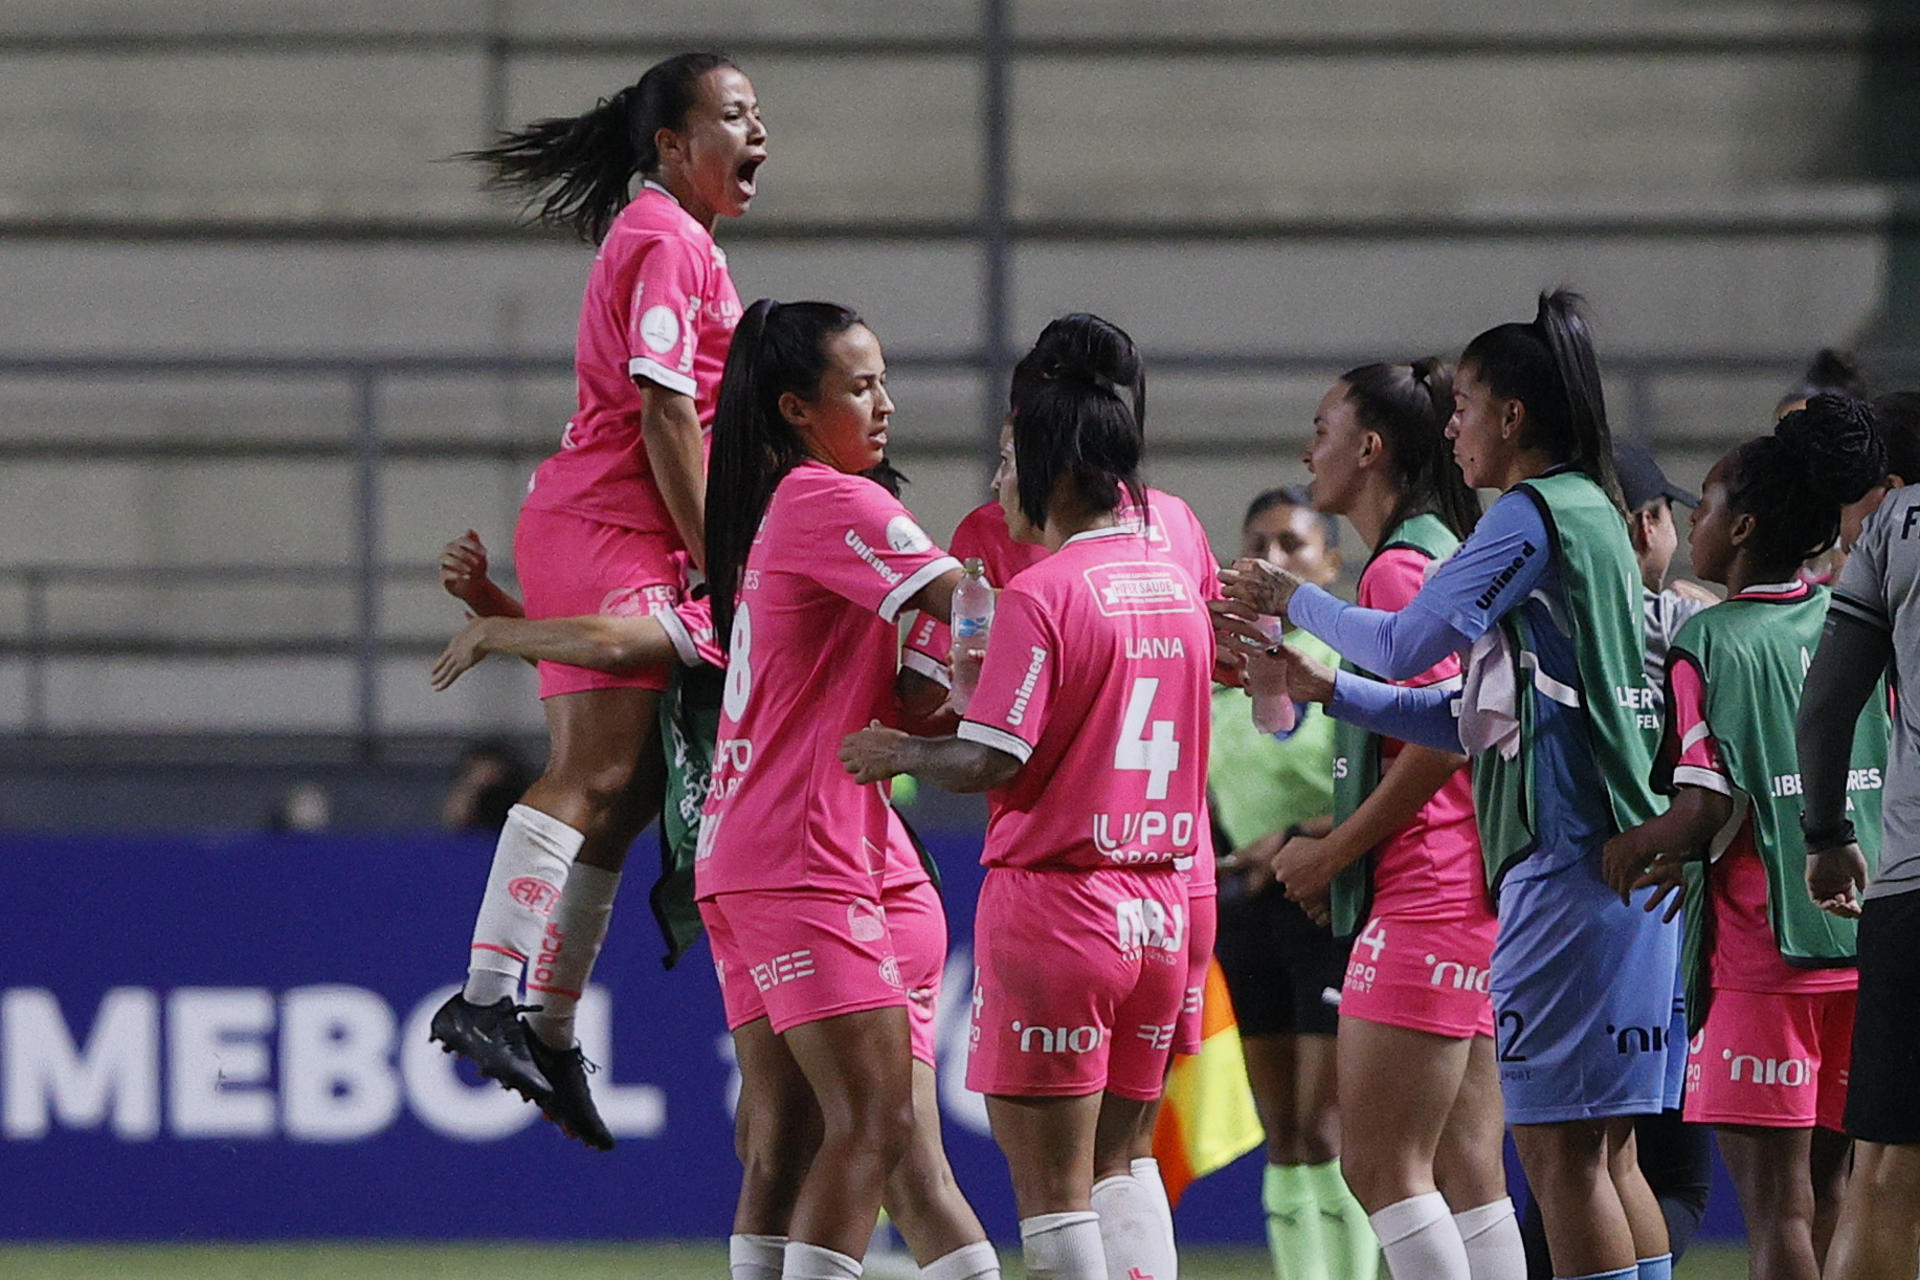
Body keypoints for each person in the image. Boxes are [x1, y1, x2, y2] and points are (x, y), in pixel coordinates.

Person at [1218, 291, 1681, 1280]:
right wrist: (1326, 685)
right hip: (1622, 862)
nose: (1453, 424)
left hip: (1557, 864)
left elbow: (1409, 643)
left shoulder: (1526, 514)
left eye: (1464, 403)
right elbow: (1477, 713)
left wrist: (1286, 596)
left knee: (1548, 1159)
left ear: (1511, 416)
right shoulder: (1589, 512)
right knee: (1591, 1151)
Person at [429, 51, 767, 1150]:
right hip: (609, 526)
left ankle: (549, 1023)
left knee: (622, 801)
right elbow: (667, 414)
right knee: (597, 773)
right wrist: (716, 551)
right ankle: (486, 993)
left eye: (758, 114)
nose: (757, 132)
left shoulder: (682, 239)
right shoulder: (667, 238)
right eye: (733, 115)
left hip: (611, 525)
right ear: (671, 143)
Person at [842, 349, 1213, 1280]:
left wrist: (899, 752)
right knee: (1123, 1164)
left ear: (1053, 474)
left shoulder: (1043, 593)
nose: (998, 486)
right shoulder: (1175, 582)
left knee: (1051, 1196)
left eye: (1009, 467)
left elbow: (992, 753)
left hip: (1062, 908)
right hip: (1161, 909)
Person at [694, 298, 1003, 1280]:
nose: (887, 404)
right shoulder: (834, 501)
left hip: (778, 846)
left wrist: (953, 686)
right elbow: (978, 610)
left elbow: (912, 697)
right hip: (802, 851)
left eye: (884, 381)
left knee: (816, 1142)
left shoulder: (783, 511)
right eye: (861, 385)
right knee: (871, 1123)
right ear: (794, 406)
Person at [1601, 396, 1888, 1280]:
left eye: (1712, 504)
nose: (1696, 518)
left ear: (1748, 525)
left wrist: (1630, 847)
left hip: (1767, 954)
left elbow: (1701, 808)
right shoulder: (1851, 615)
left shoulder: (1712, 640)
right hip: (1866, 943)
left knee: (1775, 1215)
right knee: (1840, 1195)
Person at [1249, 361, 1518, 1280]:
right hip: (1467, 890)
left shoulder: (1402, 570)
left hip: (1430, 888)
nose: (1306, 449)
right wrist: (1325, 689)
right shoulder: (1442, 547)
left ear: (1370, 449)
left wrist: (1332, 855)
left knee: (1380, 1167)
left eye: (1321, 429)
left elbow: (1448, 742)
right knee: (1467, 1170)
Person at [1511, 443, 1718, 1280]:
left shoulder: (1553, 627)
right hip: (1670, 917)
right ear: (1642, 523)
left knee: (1572, 1165)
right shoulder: (1692, 631)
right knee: (1618, 1160)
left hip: (1586, 905)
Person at [1204, 487, 1375, 1280]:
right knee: (1285, 1129)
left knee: (1329, 1119)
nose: (1271, 560)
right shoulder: (1221, 677)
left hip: (1327, 909)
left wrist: (1301, 834)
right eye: (1257, 544)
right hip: (1247, 912)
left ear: (1330, 563)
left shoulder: (1347, 667)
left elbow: (1381, 785)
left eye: (1292, 544)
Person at [1796, 417, 1920, 1280]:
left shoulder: (1894, 527)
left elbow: (1827, 706)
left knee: (1883, 1167)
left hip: (1913, 884)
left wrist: (1828, 837)